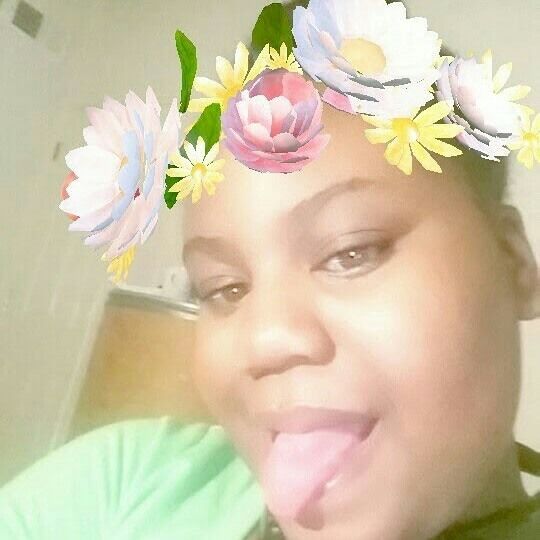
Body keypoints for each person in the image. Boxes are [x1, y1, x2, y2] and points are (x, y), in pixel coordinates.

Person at [2, 0, 540, 538]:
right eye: (224, 288)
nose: (264, 341)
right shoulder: (130, 481)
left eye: (351, 253)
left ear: (513, 260)